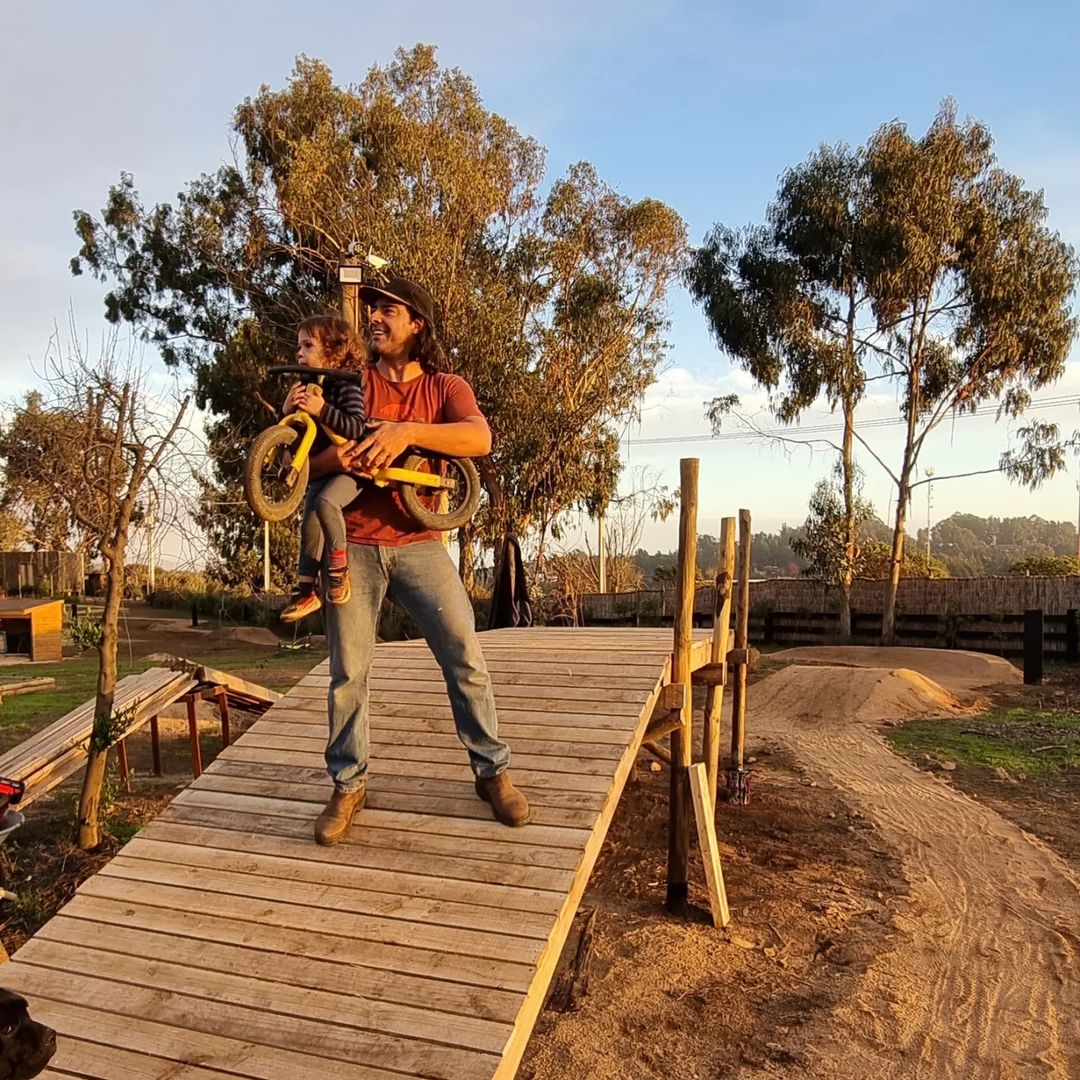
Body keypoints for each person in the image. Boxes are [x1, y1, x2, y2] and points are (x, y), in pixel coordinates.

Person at [307, 277, 530, 845]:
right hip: (352, 543)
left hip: (420, 545)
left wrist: (406, 431)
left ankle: (492, 772)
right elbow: (309, 462)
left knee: (465, 656)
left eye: (388, 311)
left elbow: (478, 437)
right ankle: (349, 785)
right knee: (347, 674)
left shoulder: (444, 387)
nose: (375, 319)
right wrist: (349, 454)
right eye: (373, 310)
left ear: (416, 325)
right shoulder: (350, 382)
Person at [279, 316, 368, 624]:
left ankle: (339, 571)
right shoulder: (308, 387)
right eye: (298, 347)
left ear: (334, 354)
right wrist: (287, 410)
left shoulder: (346, 384)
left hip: (352, 470)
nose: (299, 353)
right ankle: (305, 591)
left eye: (308, 345)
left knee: (327, 504)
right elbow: (295, 437)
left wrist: (322, 410)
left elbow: (356, 426)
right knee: (310, 525)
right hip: (321, 470)